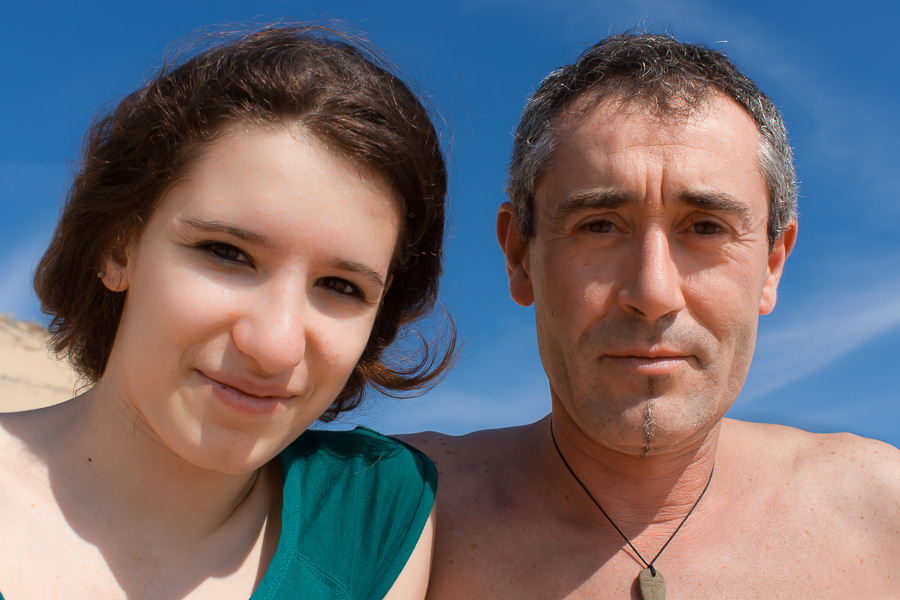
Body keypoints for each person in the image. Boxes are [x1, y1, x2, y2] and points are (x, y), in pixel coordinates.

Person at [404, 33, 900, 599]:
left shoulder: (883, 512)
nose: (653, 291)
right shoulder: (391, 514)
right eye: (599, 225)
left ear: (771, 265)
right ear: (520, 256)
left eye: (707, 228)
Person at [0, 24, 454, 600]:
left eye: (341, 287)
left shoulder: (368, 518)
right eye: (226, 253)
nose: (275, 345)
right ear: (118, 249)